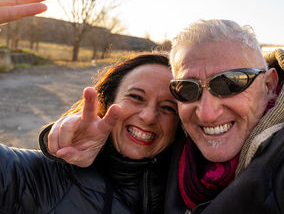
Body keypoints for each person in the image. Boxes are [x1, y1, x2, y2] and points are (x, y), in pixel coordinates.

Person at [45, 19, 284, 213]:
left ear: (270, 84)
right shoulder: (177, 141)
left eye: (231, 84)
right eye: (187, 90)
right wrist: (65, 143)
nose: (208, 110)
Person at [0, 53, 180, 213]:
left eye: (168, 107)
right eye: (136, 97)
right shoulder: (48, 180)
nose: (149, 117)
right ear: (109, 101)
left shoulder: (192, 194)